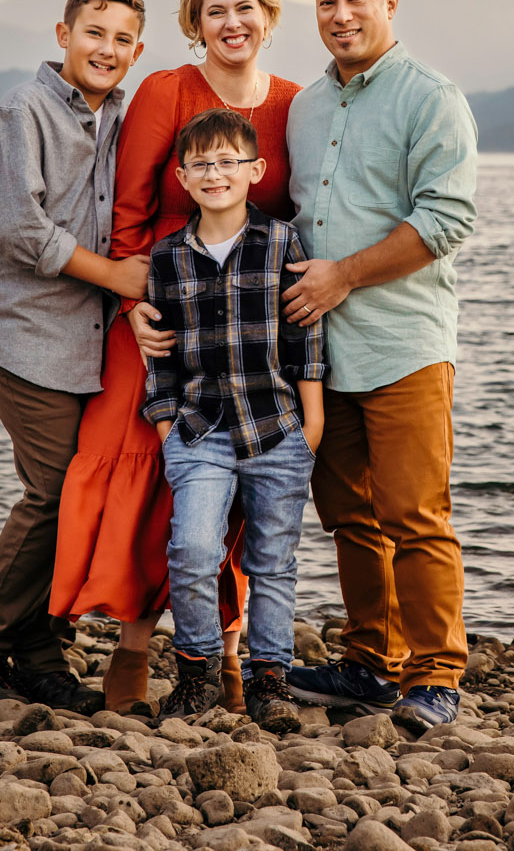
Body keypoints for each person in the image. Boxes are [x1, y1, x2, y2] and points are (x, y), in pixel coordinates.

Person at [50, 0, 302, 716]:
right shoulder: (165, 90)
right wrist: (135, 311)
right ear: (195, 24)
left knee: (247, 482)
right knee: (153, 479)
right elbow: (126, 215)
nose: (232, 22)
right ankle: (133, 648)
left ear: (268, 16)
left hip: (251, 325)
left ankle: (227, 653)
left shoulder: (297, 102)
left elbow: (297, 218)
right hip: (159, 313)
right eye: (214, 10)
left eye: (245, 8)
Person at [0, 0, 151, 714]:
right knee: (56, 492)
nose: (107, 48)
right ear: (63, 36)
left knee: (83, 493)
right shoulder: (20, 110)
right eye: (94, 33)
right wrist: (121, 280)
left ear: (137, 50)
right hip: (23, 332)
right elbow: (20, 230)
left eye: (123, 40)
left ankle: (35, 651)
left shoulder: (123, 116)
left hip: (88, 342)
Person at [280, 0, 479, 735]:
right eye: (325, 2)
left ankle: (436, 678)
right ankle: (369, 664)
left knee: (416, 514)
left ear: (390, 2)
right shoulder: (303, 109)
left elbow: (446, 220)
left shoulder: (432, 99)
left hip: (403, 345)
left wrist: (345, 277)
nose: (340, 14)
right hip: (322, 353)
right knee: (348, 515)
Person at [140, 107, 325, 731]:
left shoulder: (281, 243)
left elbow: (307, 338)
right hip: (198, 431)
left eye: (228, 162)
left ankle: (271, 682)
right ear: (183, 179)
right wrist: (167, 428)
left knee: (272, 561)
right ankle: (196, 676)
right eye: (201, 165)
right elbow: (159, 358)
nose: (215, 173)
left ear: (256, 170)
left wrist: (312, 422)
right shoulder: (167, 259)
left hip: (277, 427)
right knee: (193, 549)